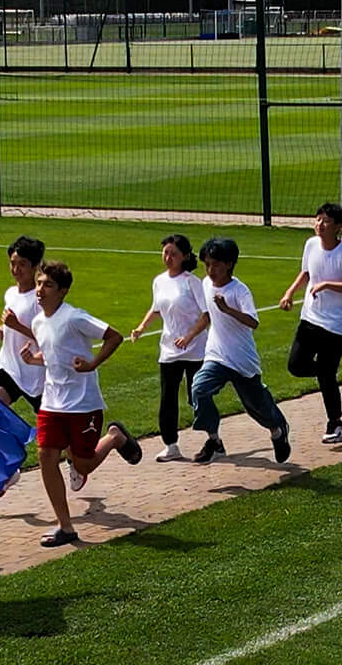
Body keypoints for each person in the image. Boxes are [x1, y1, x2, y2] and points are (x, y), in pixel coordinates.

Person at [22, 260, 142, 547]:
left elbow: (114, 337)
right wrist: (33, 359)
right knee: (45, 456)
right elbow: (54, 355)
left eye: (48, 285)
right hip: (52, 403)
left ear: (62, 291)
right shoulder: (38, 322)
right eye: (39, 283)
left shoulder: (75, 317)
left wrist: (92, 364)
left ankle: (114, 438)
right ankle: (65, 526)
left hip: (83, 404)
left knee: (83, 465)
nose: (40, 289)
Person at [186, 236, 293, 464]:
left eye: (215, 264)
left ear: (229, 264)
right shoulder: (205, 284)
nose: (210, 270)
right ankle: (214, 441)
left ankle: (278, 429)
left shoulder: (239, 291)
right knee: (199, 389)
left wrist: (227, 309)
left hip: (242, 360)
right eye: (207, 264)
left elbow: (253, 322)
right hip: (216, 355)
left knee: (256, 407)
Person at [278, 202, 342, 444]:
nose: (320, 224)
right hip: (310, 318)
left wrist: (328, 284)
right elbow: (306, 272)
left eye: (326, 221)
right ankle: (328, 372)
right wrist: (290, 293)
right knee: (295, 365)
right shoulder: (311, 244)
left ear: (338, 226)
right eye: (318, 219)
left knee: (326, 377)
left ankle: (335, 424)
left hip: (336, 326)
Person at [126, 233, 207, 461]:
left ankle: (213, 436)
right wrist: (141, 327)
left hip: (194, 350)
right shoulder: (159, 281)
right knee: (167, 398)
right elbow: (156, 308)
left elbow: (206, 316)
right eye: (166, 252)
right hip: (170, 350)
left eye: (174, 253)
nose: (168, 257)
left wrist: (190, 337)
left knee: (197, 396)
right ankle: (171, 445)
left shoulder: (192, 282)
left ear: (184, 257)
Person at [0, 235, 47, 412]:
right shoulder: (11, 293)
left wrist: (16, 326)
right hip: (9, 367)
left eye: (22, 264)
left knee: (56, 435)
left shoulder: (40, 301)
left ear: (35, 266)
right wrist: (4, 330)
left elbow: (48, 338)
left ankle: (118, 439)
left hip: (35, 374)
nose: (15, 269)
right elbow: (10, 325)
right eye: (12, 263)